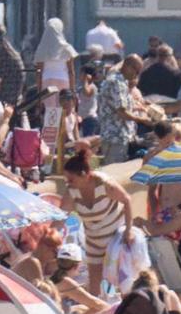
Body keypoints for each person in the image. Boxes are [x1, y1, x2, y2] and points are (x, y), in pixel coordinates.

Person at [61, 150, 129, 297]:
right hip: (93, 239)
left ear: (85, 175)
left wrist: (128, 231)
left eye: (71, 179)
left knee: (124, 280)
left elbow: (127, 200)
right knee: (94, 282)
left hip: (115, 237)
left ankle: (127, 312)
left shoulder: (104, 184)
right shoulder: (71, 191)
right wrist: (50, 233)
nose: (68, 183)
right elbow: (61, 217)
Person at [95, 55, 146, 164]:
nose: (136, 75)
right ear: (127, 66)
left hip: (120, 136)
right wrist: (143, 120)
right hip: (115, 137)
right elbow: (122, 112)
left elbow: (121, 105)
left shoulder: (122, 81)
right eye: (136, 71)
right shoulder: (116, 82)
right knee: (114, 172)